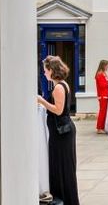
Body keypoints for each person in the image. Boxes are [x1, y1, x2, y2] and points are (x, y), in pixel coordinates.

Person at [37, 55, 80, 205]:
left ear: (52, 70)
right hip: (61, 131)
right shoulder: (61, 85)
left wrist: (41, 100)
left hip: (62, 132)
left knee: (63, 167)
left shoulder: (59, 87)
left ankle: (66, 200)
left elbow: (58, 110)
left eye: (45, 70)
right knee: (60, 166)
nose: (44, 73)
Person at [95, 59, 108, 134]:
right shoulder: (100, 74)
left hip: (105, 94)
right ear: (103, 66)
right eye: (107, 65)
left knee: (104, 112)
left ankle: (102, 127)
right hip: (103, 95)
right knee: (102, 112)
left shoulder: (103, 73)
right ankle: (99, 128)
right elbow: (102, 85)